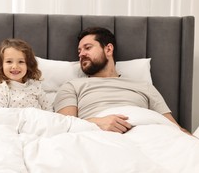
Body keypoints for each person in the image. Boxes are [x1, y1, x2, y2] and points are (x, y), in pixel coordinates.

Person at [53, 27, 190, 134]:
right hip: (99, 137)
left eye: (87, 48)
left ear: (108, 49)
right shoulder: (72, 86)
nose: (81, 54)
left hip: (148, 134)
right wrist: (97, 122)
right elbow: (64, 127)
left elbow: (174, 128)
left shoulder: (143, 86)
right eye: (79, 51)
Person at [0, 38, 52, 111]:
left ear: (28, 65)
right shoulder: (1, 90)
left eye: (21, 62)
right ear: (1, 65)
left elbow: (48, 109)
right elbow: (2, 115)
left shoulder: (35, 85)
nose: (15, 66)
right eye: (9, 61)